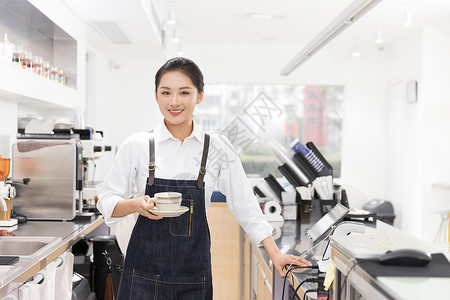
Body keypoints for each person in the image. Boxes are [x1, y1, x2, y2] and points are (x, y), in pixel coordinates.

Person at [97, 57, 311, 299]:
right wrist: (135, 204)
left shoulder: (217, 147)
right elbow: (105, 200)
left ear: (199, 96)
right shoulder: (137, 145)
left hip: (193, 279)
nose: (174, 101)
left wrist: (275, 254)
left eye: (184, 92)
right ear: (156, 96)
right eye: (166, 92)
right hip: (142, 278)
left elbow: (246, 206)